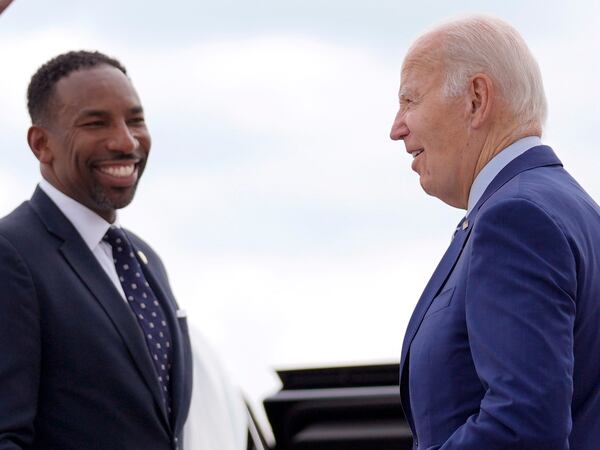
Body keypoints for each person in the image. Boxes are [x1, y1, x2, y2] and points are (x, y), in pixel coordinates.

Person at [390, 15, 600, 449]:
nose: (396, 128)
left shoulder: (516, 219)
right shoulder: (573, 210)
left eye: (410, 100)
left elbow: (522, 429)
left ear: (476, 99)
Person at [0, 51, 192, 449]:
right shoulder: (11, 255)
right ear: (41, 144)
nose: (126, 140)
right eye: (95, 123)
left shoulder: (144, 260)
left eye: (135, 120)